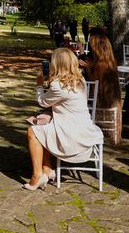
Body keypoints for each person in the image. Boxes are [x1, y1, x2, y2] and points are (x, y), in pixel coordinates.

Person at [24, 48, 104, 191]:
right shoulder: (81, 80)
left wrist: (39, 85)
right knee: (45, 126)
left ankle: (37, 176)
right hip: (84, 129)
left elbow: (42, 102)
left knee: (32, 131)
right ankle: (47, 169)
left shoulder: (57, 86)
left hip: (72, 137)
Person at [79, 34, 122, 145]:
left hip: (103, 100)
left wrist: (87, 68)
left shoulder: (102, 64)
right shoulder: (110, 61)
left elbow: (95, 84)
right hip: (111, 99)